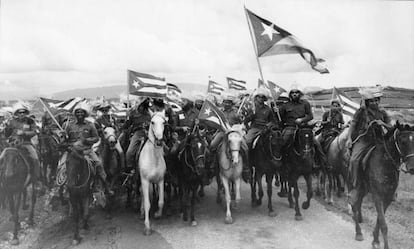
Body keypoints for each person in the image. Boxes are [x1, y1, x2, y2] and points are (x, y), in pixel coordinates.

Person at [348, 86, 390, 202]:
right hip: (363, 140)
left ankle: (390, 186)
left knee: (391, 158)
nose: (374, 103)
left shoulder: (382, 113)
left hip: (379, 140)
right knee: (354, 160)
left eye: (376, 100)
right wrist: (348, 139)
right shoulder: (361, 112)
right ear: (367, 102)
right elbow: (353, 125)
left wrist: (383, 124)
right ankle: (355, 185)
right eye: (371, 101)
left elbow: (391, 127)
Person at [64, 102, 113, 195]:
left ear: (85, 114)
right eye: (77, 112)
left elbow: (96, 138)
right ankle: (62, 187)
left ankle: (106, 186)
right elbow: (65, 139)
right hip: (72, 152)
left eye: (81, 112)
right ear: (75, 114)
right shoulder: (69, 125)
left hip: (87, 151)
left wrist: (86, 140)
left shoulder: (90, 125)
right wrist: (64, 138)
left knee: (98, 164)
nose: (79, 114)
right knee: (62, 166)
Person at [279, 86, 326, 166]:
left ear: (300, 94)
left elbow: (310, 116)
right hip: (290, 128)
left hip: (303, 128)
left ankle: (322, 163)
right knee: (282, 143)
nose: (294, 94)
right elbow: (281, 118)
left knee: (316, 144)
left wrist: (302, 120)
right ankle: (281, 165)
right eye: (292, 93)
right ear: (290, 95)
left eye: (296, 92)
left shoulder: (305, 103)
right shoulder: (285, 106)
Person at [4, 102, 44, 192]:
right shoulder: (11, 121)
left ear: (26, 113)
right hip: (13, 144)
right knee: (2, 157)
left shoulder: (30, 121)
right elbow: (7, 134)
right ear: (16, 113)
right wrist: (7, 129)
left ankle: (37, 180)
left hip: (26, 143)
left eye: (23, 112)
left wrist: (24, 133)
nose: (22, 114)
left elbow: (35, 131)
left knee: (35, 158)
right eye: (19, 112)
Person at [209, 93, 248, 179]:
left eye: (229, 102)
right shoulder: (219, 113)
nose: (227, 104)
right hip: (222, 133)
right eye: (225, 102)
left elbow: (242, 124)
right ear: (223, 103)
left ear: (232, 104)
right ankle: (212, 164)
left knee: (245, 147)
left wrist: (241, 127)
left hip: (234, 134)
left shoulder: (236, 113)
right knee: (212, 145)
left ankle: (245, 167)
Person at [244, 87, 276, 182]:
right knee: (247, 142)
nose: (261, 99)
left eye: (262, 97)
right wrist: (251, 116)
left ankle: (275, 163)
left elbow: (273, 121)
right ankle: (248, 165)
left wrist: (269, 125)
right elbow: (245, 121)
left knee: (275, 142)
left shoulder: (268, 109)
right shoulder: (252, 108)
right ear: (256, 98)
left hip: (265, 129)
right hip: (254, 128)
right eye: (259, 97)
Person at [123, 98, 152, 171]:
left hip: (149, 134)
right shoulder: (133, 113)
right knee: (129, 152)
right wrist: (127, 118)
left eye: (145, 105)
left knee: (163, 149)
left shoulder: (150, 114)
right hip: (138, 133)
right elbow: (127, 125)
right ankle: (130, 168)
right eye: (142, 105)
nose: (143, 107)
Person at [95, 102, 125, 169]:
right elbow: (96, 130)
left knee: (121, 152)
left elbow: (117, 130)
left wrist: (114, 126)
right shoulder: (98, 120)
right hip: (102, 139)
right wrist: (101, 130)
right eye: (103, 110)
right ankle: (95, 170)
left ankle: (123, 168)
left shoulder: (113, 119)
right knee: (94, 151)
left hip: (113, 138)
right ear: (101, 111)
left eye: (106, 110)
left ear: (108, 110)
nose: (105, 111)